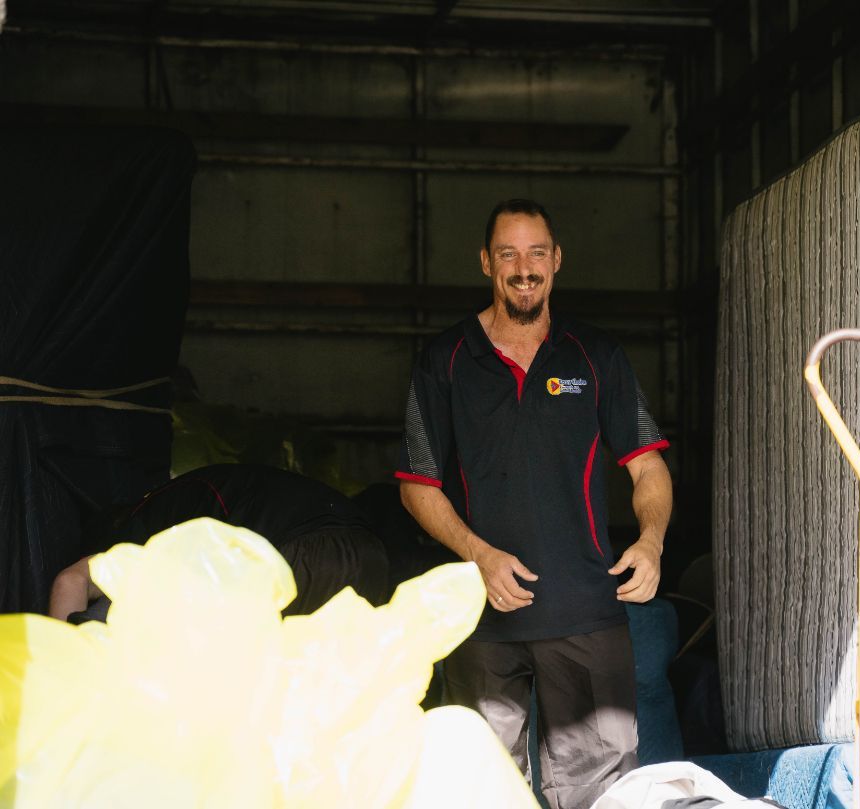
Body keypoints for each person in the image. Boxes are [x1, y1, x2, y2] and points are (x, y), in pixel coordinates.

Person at [397, 198, 673, 809]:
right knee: (482, 792)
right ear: (486, 263)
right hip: (484, 619)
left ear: (557, 261)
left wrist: (651, 541)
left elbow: (647, 464)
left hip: (586, 610)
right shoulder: (444, 360)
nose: (525, 267)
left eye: (537, 253)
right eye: (508, 254)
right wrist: (479, 555)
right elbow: (418, 483)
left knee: (603, 799)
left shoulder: (595, 357)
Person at [48, 464, 391, 622]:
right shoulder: (195, 493)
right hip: (372, 555)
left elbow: (70, 580)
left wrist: (59, 669)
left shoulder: (139, 530)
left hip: (310, 555)